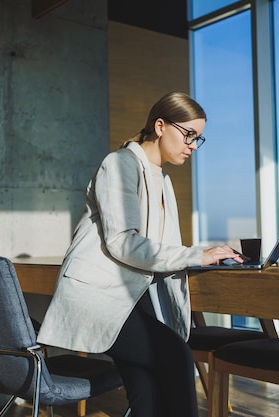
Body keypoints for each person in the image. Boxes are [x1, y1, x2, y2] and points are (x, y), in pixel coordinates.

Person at [37, 92, 245, 417]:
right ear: (160, 126)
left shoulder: (162, 179)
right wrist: (197, 255)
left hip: (130, 297)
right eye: (188, 134)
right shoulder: (119, 164)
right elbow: (123, 241)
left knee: (146, 392)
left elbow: (158, 248)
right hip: (98, 296)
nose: (192, 145)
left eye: (198, 138)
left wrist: (204, 256)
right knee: (175, 356)